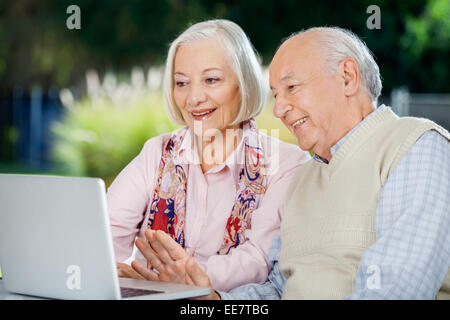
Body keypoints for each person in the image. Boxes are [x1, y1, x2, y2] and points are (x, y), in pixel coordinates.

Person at [127, 26, 450, 300]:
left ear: (348, 77)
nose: (279, 109)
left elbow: (397, 289)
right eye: (276, 94)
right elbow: (277, 289)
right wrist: (213, 298)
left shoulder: (415, 145)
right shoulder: (305, 175)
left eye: (292, 88)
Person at [106, 19, 311, 293]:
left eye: (211, 80)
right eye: (181, 83)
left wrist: (172, 280)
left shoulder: (287, 164)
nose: (193, 98)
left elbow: (258, 260)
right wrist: (110, 270)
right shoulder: (157, 153)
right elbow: (107, 233)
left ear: (244, 83)